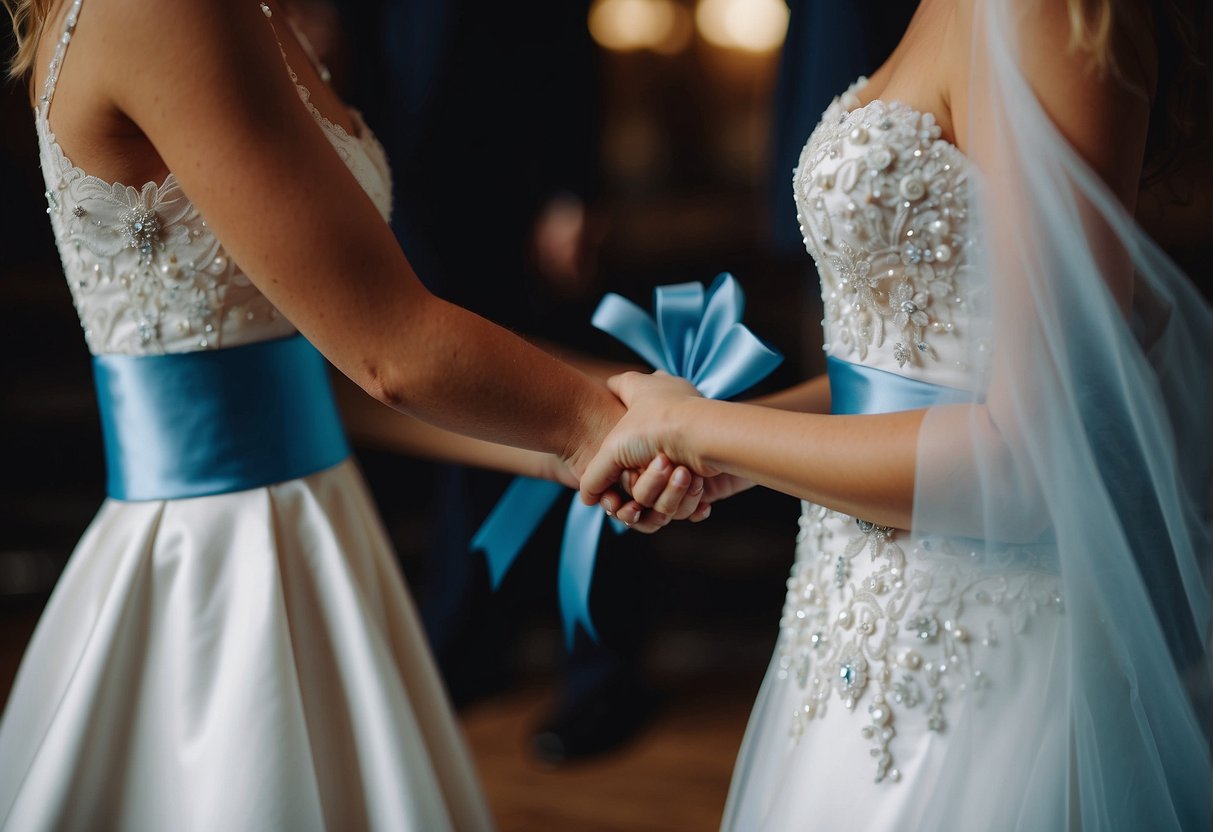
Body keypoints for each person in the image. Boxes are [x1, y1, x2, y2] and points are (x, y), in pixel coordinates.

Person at [0, 0, 706, 828]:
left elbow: (323, 371)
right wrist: (608, 426)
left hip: (315, 518)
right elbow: (390, 350)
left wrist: (583, 435)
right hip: (220, 567)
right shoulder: (161, 9)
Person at [580, 0, 1213, 828]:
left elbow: (1025, 460)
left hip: (978, 649)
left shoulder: (1046, 15)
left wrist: (694, 428)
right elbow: (907, 370)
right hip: (844, 618)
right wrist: (744, 444)